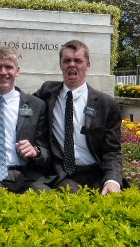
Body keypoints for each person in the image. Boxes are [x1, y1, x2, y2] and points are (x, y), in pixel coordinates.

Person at [34, 39, 123, 195]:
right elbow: (22, 103)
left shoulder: (107, 104)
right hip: (61, 174)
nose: (72, 65)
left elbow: (112, 150)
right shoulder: (47, 92)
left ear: (88, 65)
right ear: (60, 65)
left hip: (95, 173)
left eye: (78, 61)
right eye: (66, 60)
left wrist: (112, 180)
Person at [0, 47, 53, 192]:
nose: (3, 72)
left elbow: (47, 151)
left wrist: (36, 151)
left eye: (9, 67)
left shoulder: (37, 105)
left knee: (45, 197)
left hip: (27, 175)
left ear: (17, 71)